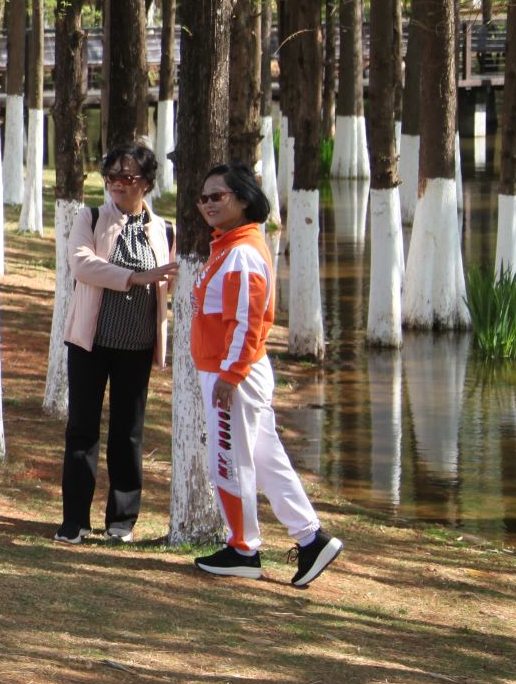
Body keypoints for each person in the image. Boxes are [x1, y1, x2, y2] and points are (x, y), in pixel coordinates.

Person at [190, 162, 345, 588]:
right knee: (265, 458)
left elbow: (249, 321)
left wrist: (231, 374)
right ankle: (311, 539)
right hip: (230, 371)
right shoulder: (229, 246)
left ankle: (243, 549)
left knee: (228, 461)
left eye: (218, 196)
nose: (208, 204)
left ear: (242, 199)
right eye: (203, 197)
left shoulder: (241, 252)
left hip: (232, 375)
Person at [55, 143, 177, 544]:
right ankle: (75, 520)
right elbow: (81, 264)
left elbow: (172, 281)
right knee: (82, 429)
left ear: (147, 183)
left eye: (127, 177)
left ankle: (122, 521)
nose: (117, 184)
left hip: (137, 347)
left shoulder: (165, 231)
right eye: (111, 177)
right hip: (90, 343)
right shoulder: (90, 218)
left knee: (128, 434)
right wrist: (135, 278)